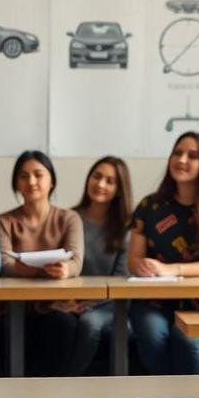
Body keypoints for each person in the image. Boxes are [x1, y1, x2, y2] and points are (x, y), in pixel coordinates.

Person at [127, 132, 199, 374]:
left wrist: (171, 270)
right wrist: (140, 266)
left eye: (192, 156)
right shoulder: (149, 206)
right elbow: (133, 259)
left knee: (187, 341)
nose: (181, 159)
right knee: (152, 337)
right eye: (177, 153)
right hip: (154, 300)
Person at [0, 150, 84, 376]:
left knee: (62, 327)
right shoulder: (4, 221)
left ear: (51, 180)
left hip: (57, 306)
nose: (31, 181)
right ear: (16, 182)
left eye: (38, 175)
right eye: (23, 176)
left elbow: (75, 261)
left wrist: (65, 270)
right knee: (4, 330)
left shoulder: (68, 218)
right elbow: (3, 263)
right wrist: (35, 271)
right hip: (10, 308)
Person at [70, 156, 133, 375]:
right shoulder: (70, 218)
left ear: (119, 189)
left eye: (110, 181)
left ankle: (68, 381)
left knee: (89, 323)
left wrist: (89, 303)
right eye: (96, 176)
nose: (100, 184)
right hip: (71, 300)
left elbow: (121, 279)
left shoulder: (127, 228)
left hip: (111, 304)